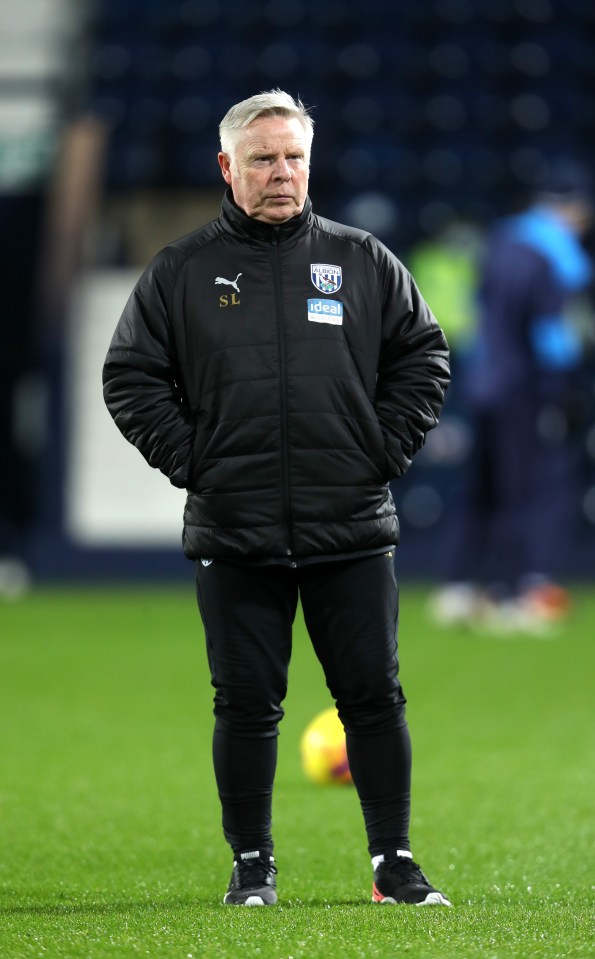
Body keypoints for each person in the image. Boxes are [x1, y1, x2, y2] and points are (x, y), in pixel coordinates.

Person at [103, 90, 451, 907]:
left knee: (373, 697)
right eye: (262, 158)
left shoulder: (361, 259)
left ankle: (393, 863)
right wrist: (196, 461)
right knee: (247, 704)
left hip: (351, 520)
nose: (280, 173)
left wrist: (381, 449)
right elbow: (130, 377)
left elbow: (423, 356)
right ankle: (252, 864)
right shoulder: (181, 270)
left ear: (309, 163)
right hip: (235, 521)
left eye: (292, 156)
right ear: (227, 168)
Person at [430, 158, 593, 631]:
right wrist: (565, 388)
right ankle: (510, 592)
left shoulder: (500, 243)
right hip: (523, 387)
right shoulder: (551, 255)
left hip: (482, 381)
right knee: (524, 489)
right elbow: (551, 337)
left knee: (481, 486)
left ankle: (458, 589)